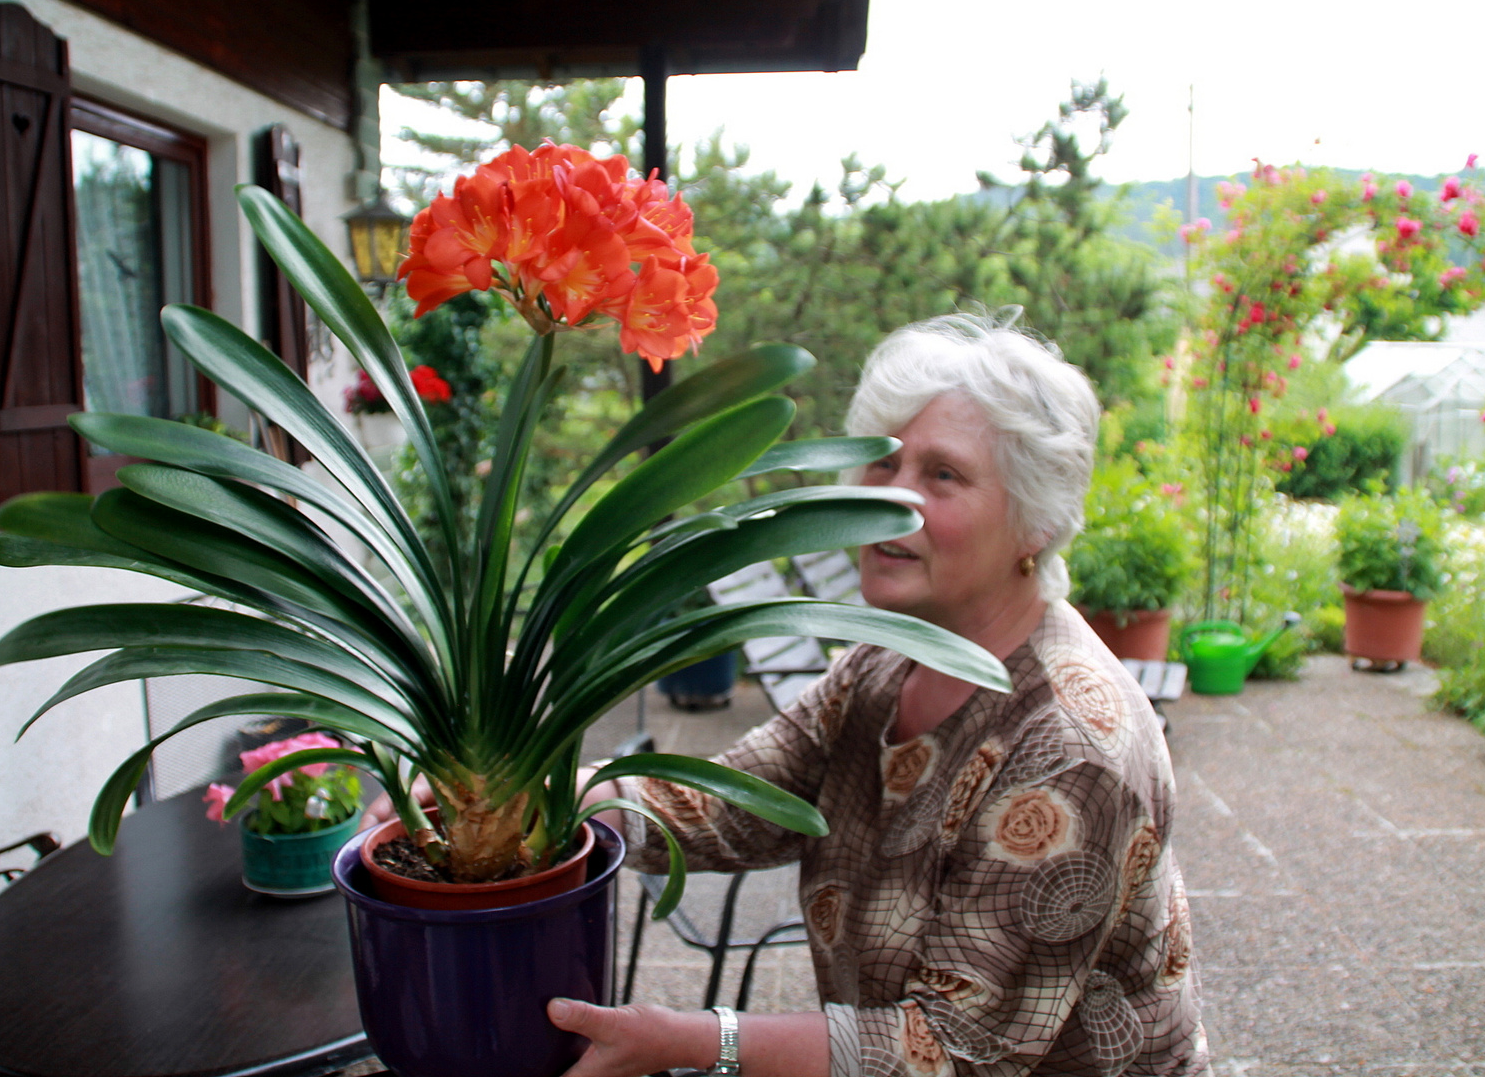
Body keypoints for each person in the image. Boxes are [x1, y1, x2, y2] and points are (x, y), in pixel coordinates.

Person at [370, 312, 1210, 1077]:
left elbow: (952, 1053)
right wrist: (520, 802)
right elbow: (735, 802)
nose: (891, 494)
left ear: (1036, 522)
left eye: (943, 475)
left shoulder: (1071, 745)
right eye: (881, 458)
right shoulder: (886, 662)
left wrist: (698, 1041)